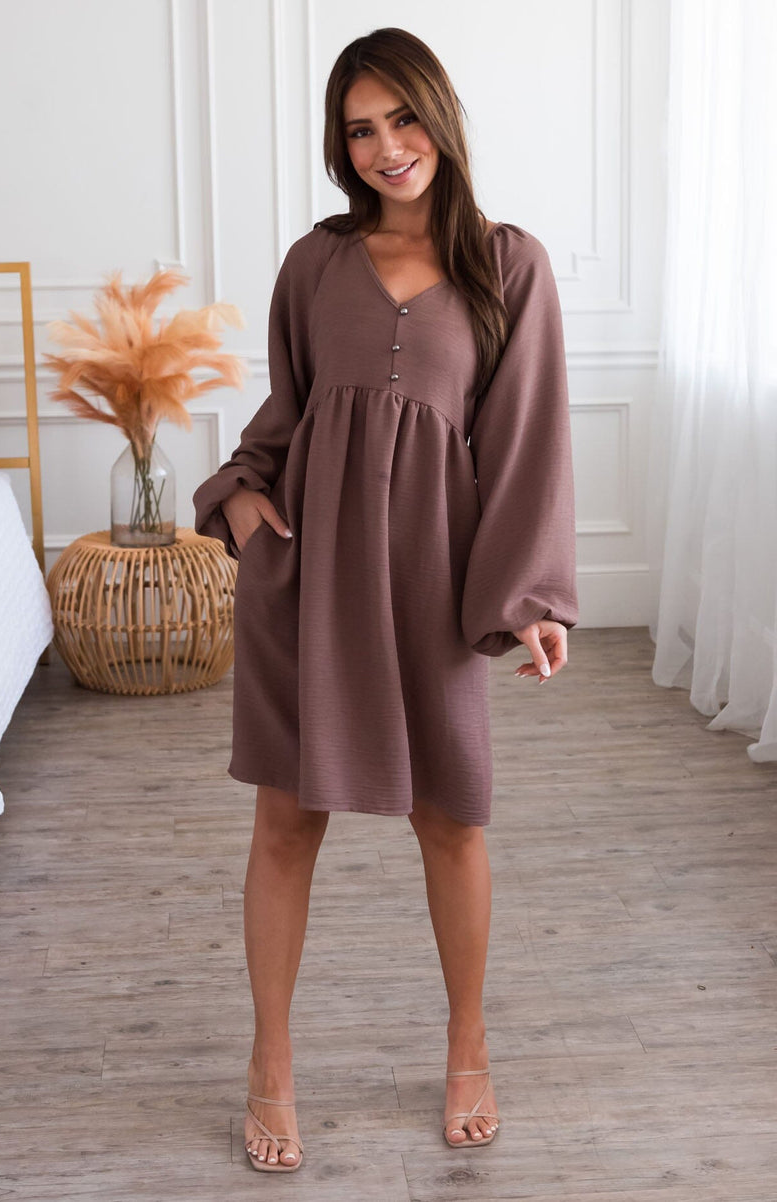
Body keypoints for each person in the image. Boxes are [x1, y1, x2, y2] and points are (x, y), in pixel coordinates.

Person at [193, 26, 578, 1174]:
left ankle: (467, 1043)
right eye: (359, 130)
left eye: (401, 118)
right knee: (283, 822)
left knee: (450, 819)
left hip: (433, 586)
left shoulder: (507, 265)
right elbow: (285, 414)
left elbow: (523, 446)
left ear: (438, 116)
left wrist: (528, 598)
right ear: (340, 145)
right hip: (306, 582)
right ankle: (269, 1060)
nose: (384, 147)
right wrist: (242, 502)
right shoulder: (313, 264)